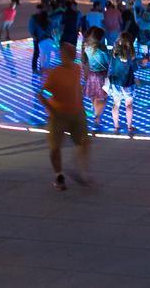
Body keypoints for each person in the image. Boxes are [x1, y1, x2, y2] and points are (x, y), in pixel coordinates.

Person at [39, 43, 91, 191]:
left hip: (77, 113)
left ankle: (81, 170)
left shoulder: (77, 68)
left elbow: (77, 89)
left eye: (74, 51)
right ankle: (59, 175)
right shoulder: (55, 73)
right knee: (55, 147)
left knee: (84, 141)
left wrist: (82, 106)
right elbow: (41, 94)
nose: (75, 54)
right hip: (59, 115)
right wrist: (52, 111)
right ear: (63, 55)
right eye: (71, 52)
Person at [107, 34, 138, 134]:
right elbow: (135, 68)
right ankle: (129, 126)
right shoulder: (130, 54)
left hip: (116, 82)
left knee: (116, 104)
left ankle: (116, 126)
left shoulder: (114, 53)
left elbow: (110, 65)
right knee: (128, 104)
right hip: (128, 82)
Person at [82, 28, 110, 129]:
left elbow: (85, 62)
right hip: (102, 74)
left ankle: (96, 112)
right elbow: (107, 61)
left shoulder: (86, 46)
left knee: (93, 95)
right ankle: (98, 116)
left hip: (92, 74)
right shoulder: (102, 47)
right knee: (103, 97)